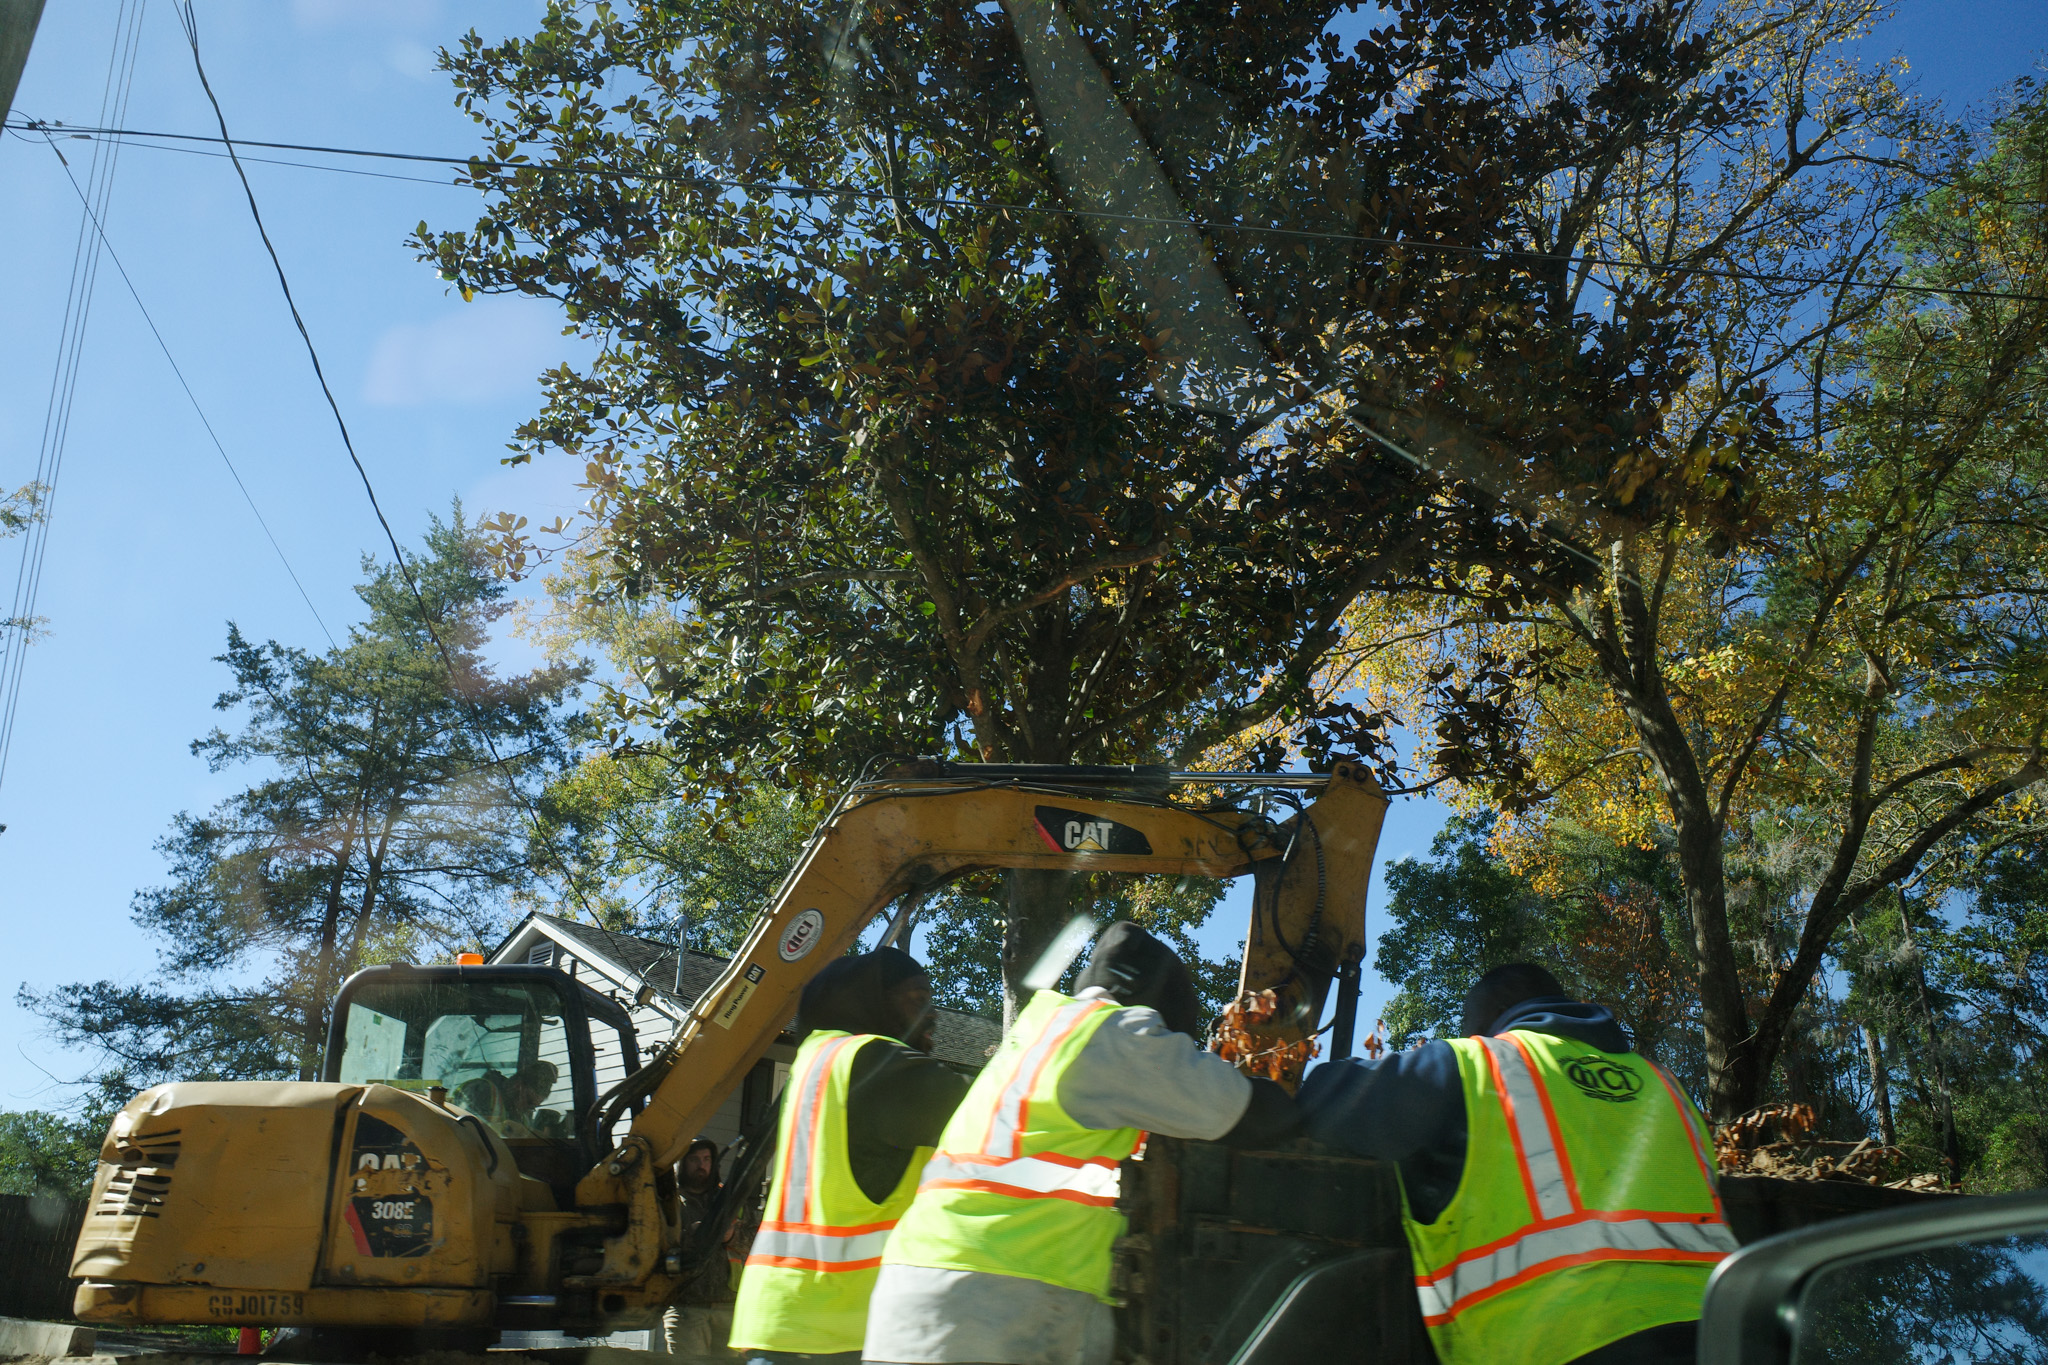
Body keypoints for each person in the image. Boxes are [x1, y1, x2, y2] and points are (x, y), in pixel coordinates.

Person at [863, 922, 1299, 1365]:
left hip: (928, 1288)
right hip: (992, 1298)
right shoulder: (1111, 1036)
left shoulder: (1040, 1030)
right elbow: (1251, 1114)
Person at [1296, 962, 1738, 1365]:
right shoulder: (1666, 1086)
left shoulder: (1473, 1062)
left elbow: (1325, 1097)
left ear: (1489, 1022)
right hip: (1730, 1340)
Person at [730, 949, 970, 1365]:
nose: (932, 1014)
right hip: (843, 1334)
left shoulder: (817, 1059)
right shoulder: (871, 1062)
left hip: (781, 1321)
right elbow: (992, 1112)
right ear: (873, 999)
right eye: (917, 998)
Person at [665, 1138, 736, 1362]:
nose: (701, 1165)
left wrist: (732, 1235)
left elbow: (758, 1236)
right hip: (687, 1307)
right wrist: (690, 1236)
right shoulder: (669, 1202)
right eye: (694, 1159)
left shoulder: (730, 1199)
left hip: (728, 1307)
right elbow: (655, 1245)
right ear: (682, 1164)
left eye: (706, 1159)